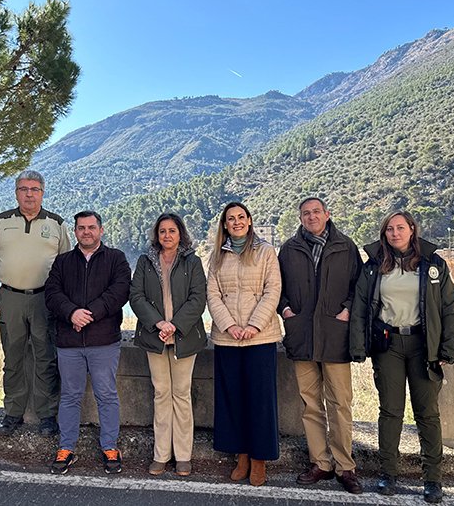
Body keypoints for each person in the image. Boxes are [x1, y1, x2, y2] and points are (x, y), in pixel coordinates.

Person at [349, 210, 454, 504]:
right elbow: (361, 307)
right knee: (390, 412)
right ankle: (388, 474)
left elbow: (450, 308)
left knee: (427, 413)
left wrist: (449, 349)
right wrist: (358, 347)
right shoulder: (374, 267)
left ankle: (433, 479)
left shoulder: (433, 264)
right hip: (388, 346)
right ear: (384, 233)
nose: (395, 233)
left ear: (412, 229)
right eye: (389, 229)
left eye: (400, 228)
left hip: (424, 346)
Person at [277, 197, 363, 494]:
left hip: (335, 335)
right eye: (305, 213)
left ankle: (345, 466)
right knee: (310, 403)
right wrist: (287, 309)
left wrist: (348, 310)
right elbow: (278, 287)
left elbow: (359, 286)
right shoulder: (289, 249)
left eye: (316, 212)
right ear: (300, 218)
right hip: (302, 335)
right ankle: (321, 463)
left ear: (327, 214)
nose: (311, 217)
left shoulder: (346, 247)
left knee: (340, 402)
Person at [0, 170, 71, 437]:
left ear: (42, 192)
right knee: (13, 357)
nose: (29, 194)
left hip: (47, 298)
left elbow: (68, 266)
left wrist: (65, 304)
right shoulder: (1, 222)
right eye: (23, 189)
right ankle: (12, 413)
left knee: (46, 357)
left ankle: (46, 415)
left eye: (34, 189)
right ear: (16, 192)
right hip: (10, 297)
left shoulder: (56, 223)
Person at [44, 211, 131, 475]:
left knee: (106, 395)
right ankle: (66, 447)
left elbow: (119, 292)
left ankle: (109, 447)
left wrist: (88, 314)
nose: (86, 232)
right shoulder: (62, 262)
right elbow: (51, 293)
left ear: (101, 230)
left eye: (91, 227)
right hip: (69, 341)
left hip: (103, 340)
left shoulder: (116, 259)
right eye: (81, 228)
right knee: (70, 396)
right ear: (75, 232)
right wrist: (72, 313)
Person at [206, 201, 282, 487]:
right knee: (232, 399)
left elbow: (272, 290)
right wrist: (230, 326)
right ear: (224, 225)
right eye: (230, 219)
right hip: (228, 338)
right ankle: (241, 456)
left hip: (260, 338)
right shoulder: (217, 257)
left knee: (260, 401)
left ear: (250, 221)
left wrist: (253, 325)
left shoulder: (265, 252)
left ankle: (260, 459)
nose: (236, 222)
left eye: (241, 217)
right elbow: (212, 295)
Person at [130, 213, 207, 477]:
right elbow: (136, 296)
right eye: (162, 231)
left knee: (182, 395)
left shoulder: (192, 261)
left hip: (184, 337)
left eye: (172, 231)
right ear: (157, 235)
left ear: (180, 234)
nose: (167, 235)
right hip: (155, 337)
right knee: (161, 394)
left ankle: (183, 456)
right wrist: (159, 324)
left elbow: (199, 299)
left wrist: (174, 324)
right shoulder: (144, 261)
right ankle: (161, 455)